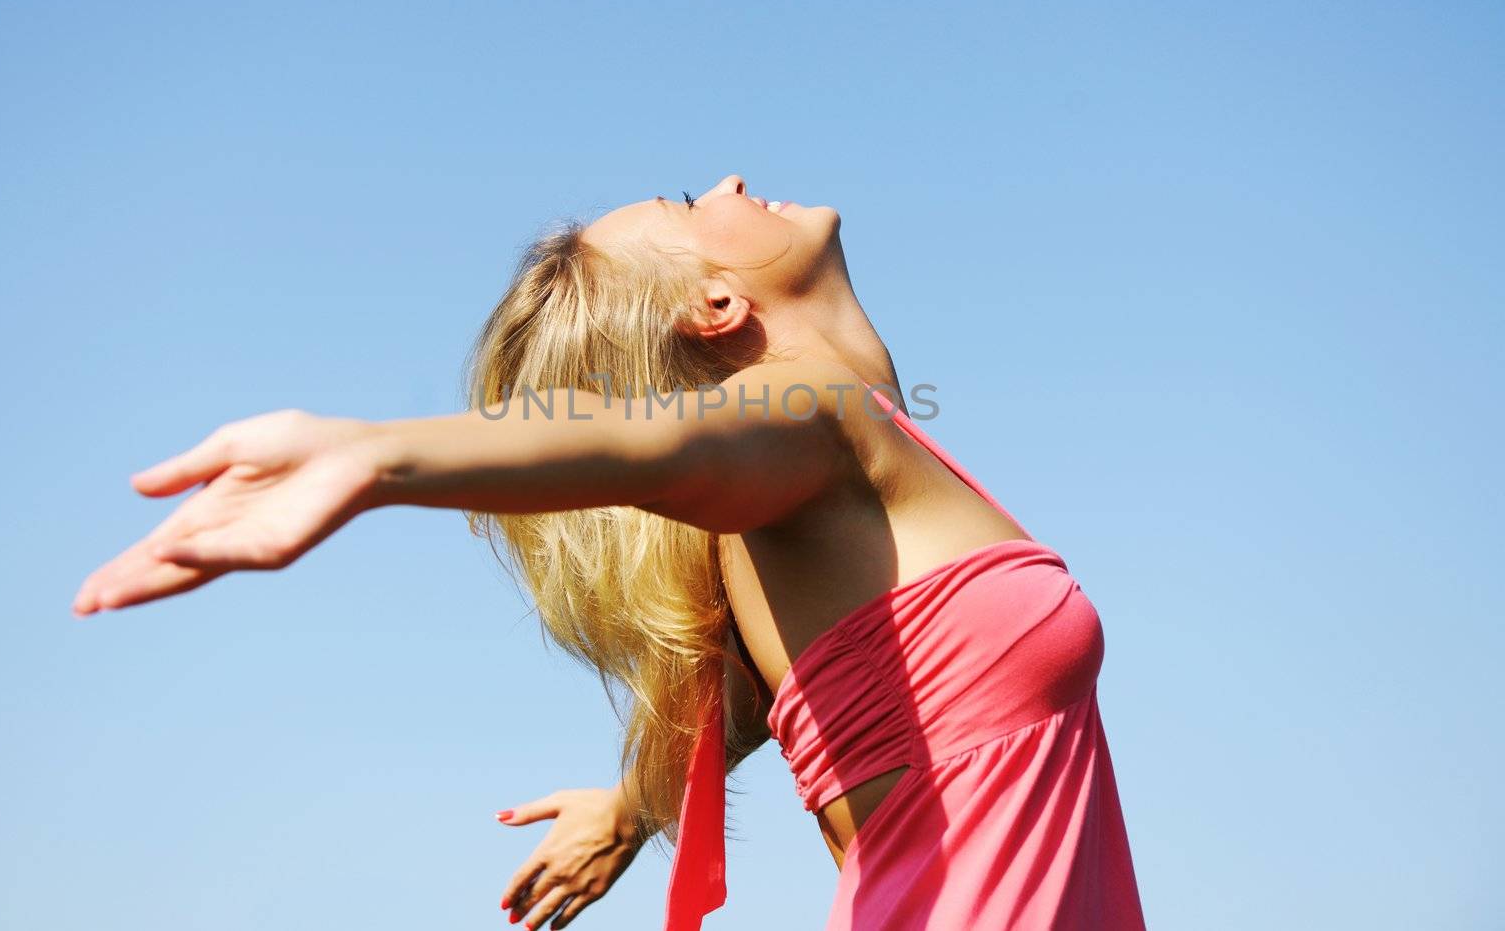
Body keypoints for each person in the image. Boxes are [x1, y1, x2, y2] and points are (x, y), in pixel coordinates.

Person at [72, 174, 1146, 930]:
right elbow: (647, 441)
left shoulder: (821, 494)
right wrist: (376, 454)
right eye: (689, 203)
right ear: (714, 303)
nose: (727, 177)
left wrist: (629, 807)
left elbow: (752, 701)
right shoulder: (814, 420)